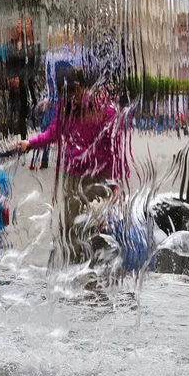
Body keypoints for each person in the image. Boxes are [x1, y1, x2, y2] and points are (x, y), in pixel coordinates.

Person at [18, 66, 123, 269]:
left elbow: (115, 150)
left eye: (76, 91)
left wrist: (115, 184)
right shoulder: (65, 108)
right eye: (67, 93)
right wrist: (30, 144)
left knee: (97, 226)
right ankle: (76, 268)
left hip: (98, 178)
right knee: (70, 226)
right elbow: (53, 132)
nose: (73, 97)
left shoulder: (105, 109)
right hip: (73, 177)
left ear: (85, 87)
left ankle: (98, 268)